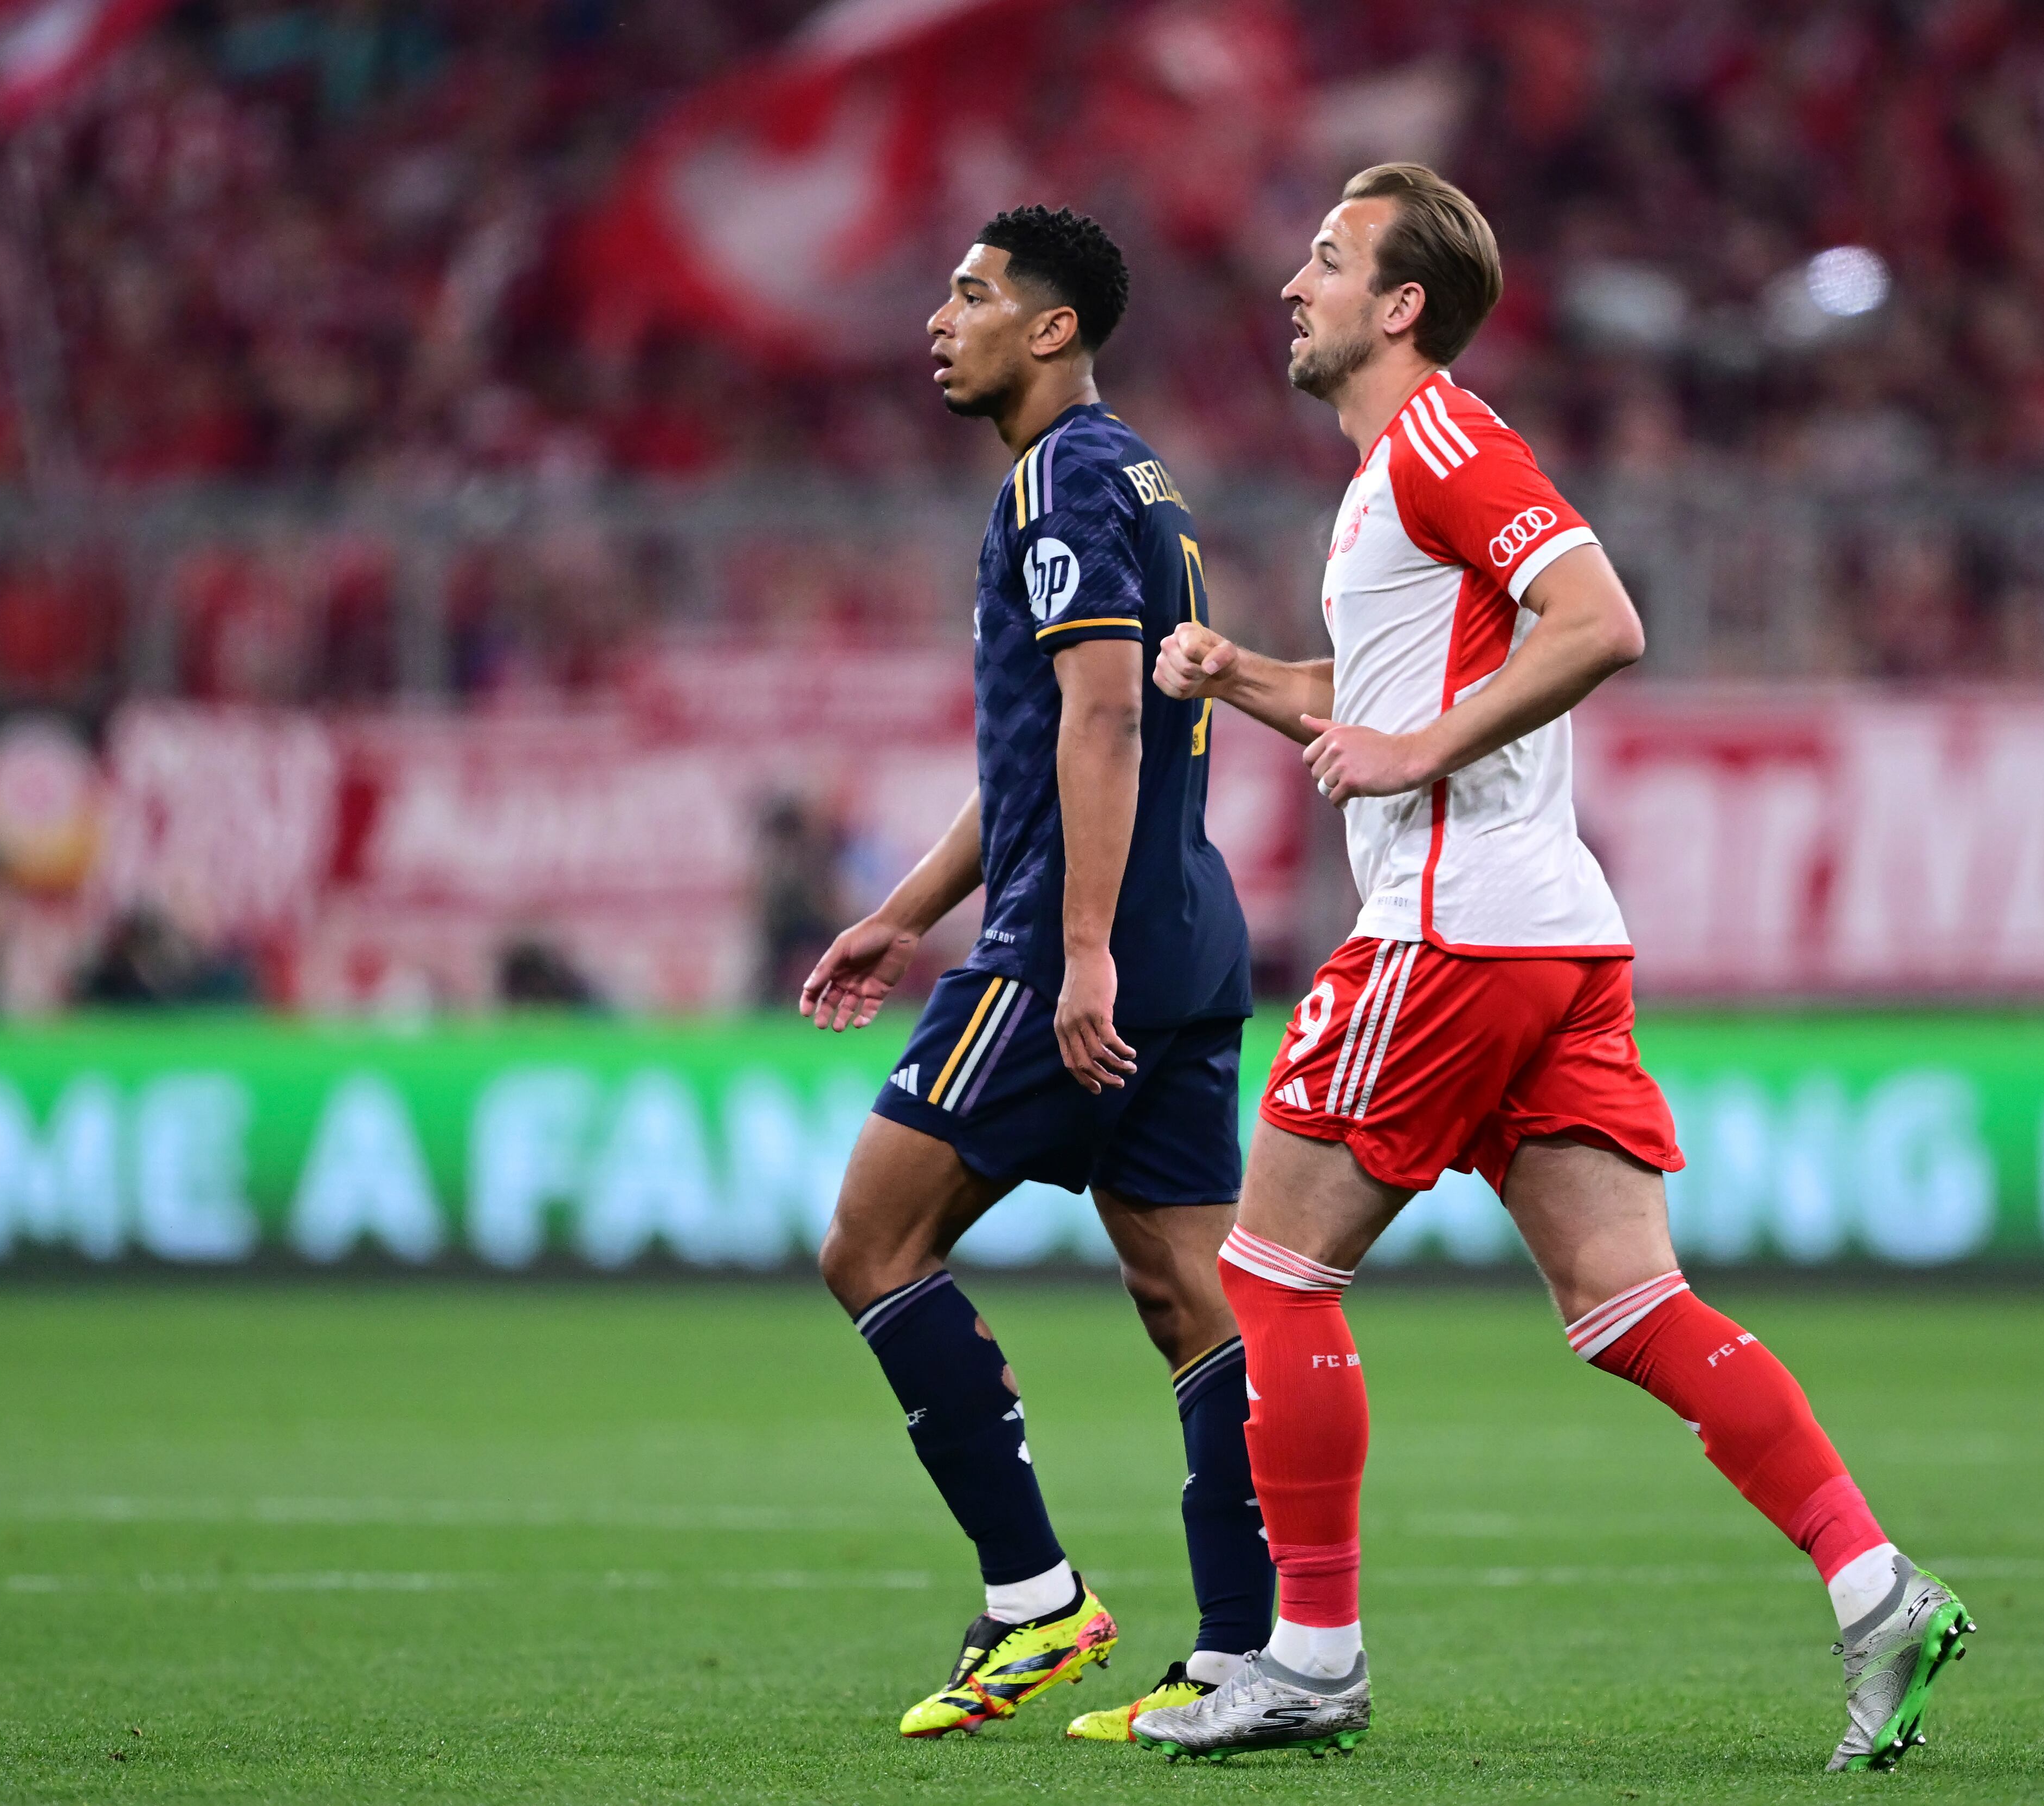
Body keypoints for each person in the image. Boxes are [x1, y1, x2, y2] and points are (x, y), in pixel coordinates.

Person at [1130, 165, 1972, 1771]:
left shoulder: (1445, 437)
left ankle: (1309, 1655)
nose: (1293, 285)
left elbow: (1598, 620)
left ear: (1401, 307)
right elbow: (1386, 687)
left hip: (1454, 926)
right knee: (1629, 1301)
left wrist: (1415, 753)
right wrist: (1245, 677)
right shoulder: (1391, 477)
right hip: (1555, 934)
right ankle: (1877, 1592)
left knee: (1272, 1270)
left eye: (1327, 260)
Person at [800, 206, 1271, 1743]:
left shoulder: (1057, 476)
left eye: (973, 294)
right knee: (1193, 1293)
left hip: (1091, 939)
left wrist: (1071, 953)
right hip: (1187, 928)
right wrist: (907, 909)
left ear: (1051, 328)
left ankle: (1034, 1601)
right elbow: (1040, 752)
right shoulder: (1139, 472)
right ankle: (1250, 1650)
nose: (941, 318)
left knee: (872, 1244)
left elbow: (1103, 723)